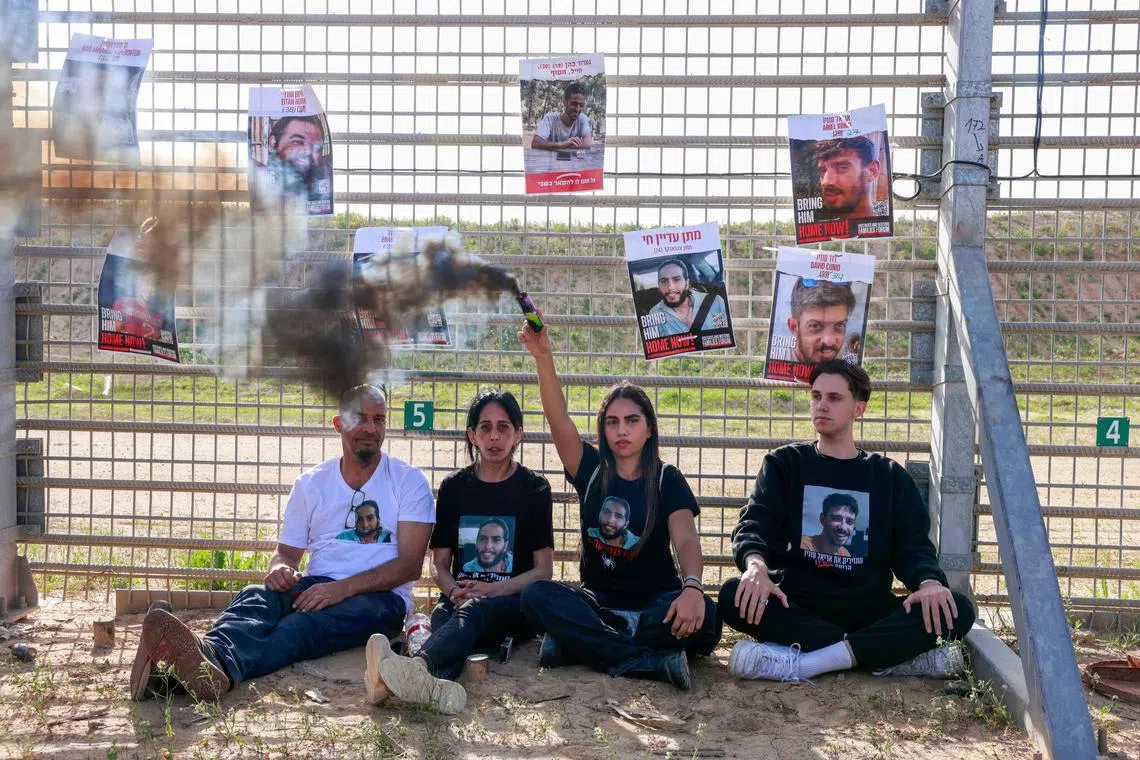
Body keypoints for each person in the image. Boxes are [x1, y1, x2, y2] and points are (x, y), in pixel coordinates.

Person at [129, 385, 435, 701]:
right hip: (319, 586)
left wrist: (340, 589)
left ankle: (190, 671)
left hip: (380, 600)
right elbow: (287, 553)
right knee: (256, 597)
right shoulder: (311, 484)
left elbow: (410, 565)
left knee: (301, 627)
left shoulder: (408, 480)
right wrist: (281, 569)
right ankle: (206, 658)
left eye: (379, 419)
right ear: (338, 424)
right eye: (361, 418)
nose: (371, 428)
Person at [717, 360, 976, 682]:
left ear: (859, 408)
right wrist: (755, 566)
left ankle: (804, 663)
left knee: (958, 609)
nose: (821, 405)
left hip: (868, 607)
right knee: (732, 595)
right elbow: (755, 522)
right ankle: (888, 656)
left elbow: (913, 546)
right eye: (816, 396)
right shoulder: (785, 463)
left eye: (834, 398)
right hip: (799, 603)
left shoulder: (889, 476)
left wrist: (929, 583)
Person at [517, 311, 722, 690]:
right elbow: (557, 418)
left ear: (648, 429)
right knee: (536, 596)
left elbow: (687, 540)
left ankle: (579, 645)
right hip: (599, 603)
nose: (621, 430)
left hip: (657, 605)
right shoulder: (590, 468)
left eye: (631, 420)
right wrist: (543, 356)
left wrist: (693, 588)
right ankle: (647, 663)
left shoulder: (666, 478)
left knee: (708, 619)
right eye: (612, 422)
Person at [364, 390, 553, 714]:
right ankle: (424, 686)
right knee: (444, 619)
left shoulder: (534, 488)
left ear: (518, 434)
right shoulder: (455, 487)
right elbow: (439, 563)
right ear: (472, 435)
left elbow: (543, 570)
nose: (494, 436)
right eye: (485, 427)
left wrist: (490, 590)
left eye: (504, 427)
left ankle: (413, 667)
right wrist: (452, 590)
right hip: (458, 600)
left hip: (511, 606)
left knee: (473, 612)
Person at [647, 259, 729, 337]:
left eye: (676, 279)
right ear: (659, 287)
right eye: (664, 281)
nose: (670, 287)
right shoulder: (654, 313)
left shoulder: (716, 302)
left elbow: (726, 335)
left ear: (687, 284)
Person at [784, 277, 855, 365]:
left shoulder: (849, 359)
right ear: (794, 327)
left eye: (839, 325)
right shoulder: (779, 362)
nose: (829, 341)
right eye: (815, 326)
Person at [813, 136, 883, 220]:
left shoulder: (885, 229)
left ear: (872, 171)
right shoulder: (820, 230)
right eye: (823, 170)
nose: (826, 181)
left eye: (842, 167)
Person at [530, 82, 593, 151]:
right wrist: (561, 145)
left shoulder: (582, 118)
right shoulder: (550, 118)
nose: (578, 109)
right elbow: (535, 143)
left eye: (581, 105)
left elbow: (587, 144)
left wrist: (562, 147)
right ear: (564, 102)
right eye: (574, 104)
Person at [799, 492, 859, 558]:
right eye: (836, 519)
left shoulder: (845, 554)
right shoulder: (803, 544)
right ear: (822, 519)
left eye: (849, 521)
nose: (843, 527)